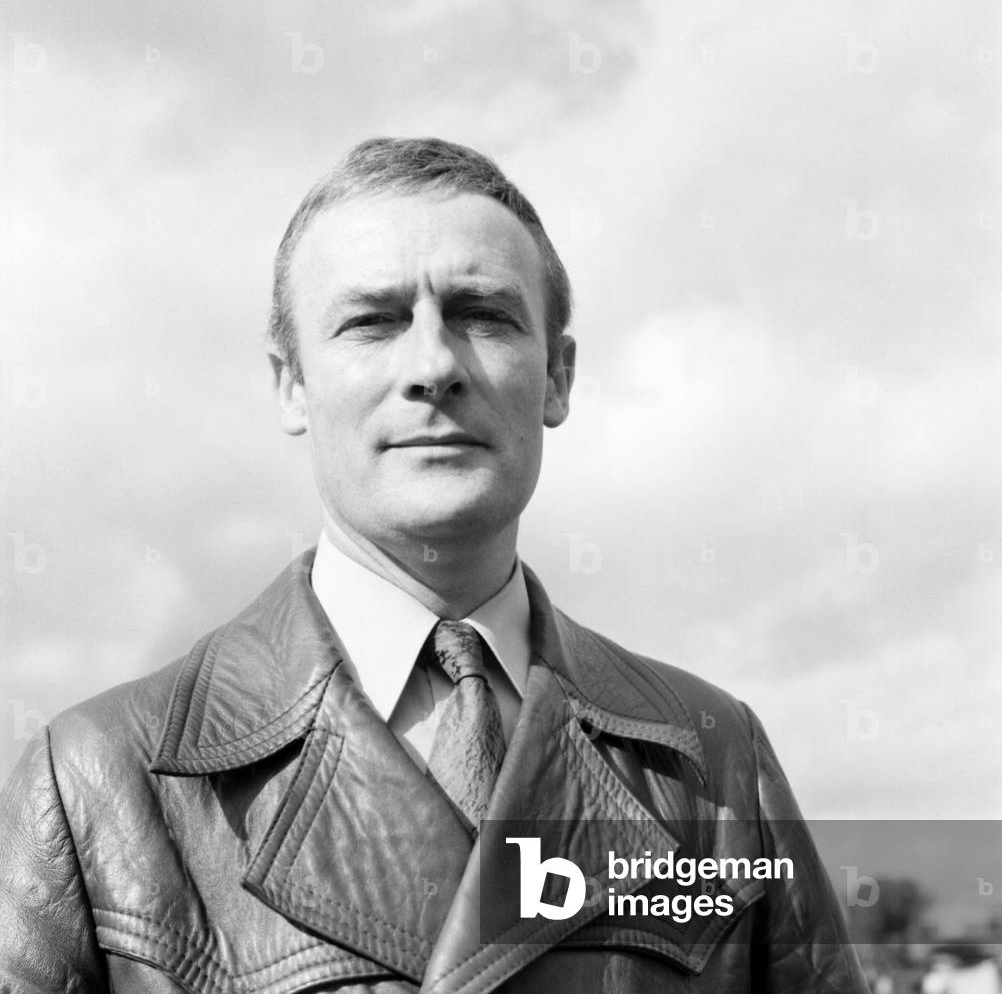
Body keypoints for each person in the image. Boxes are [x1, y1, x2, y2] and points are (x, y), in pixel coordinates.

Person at [0, 137, 868, 992]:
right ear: (292, 385)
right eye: (372, 322)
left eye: (483, 315)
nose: (433, 366)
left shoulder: (716, 760)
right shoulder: (95, 782)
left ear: (559, 376)